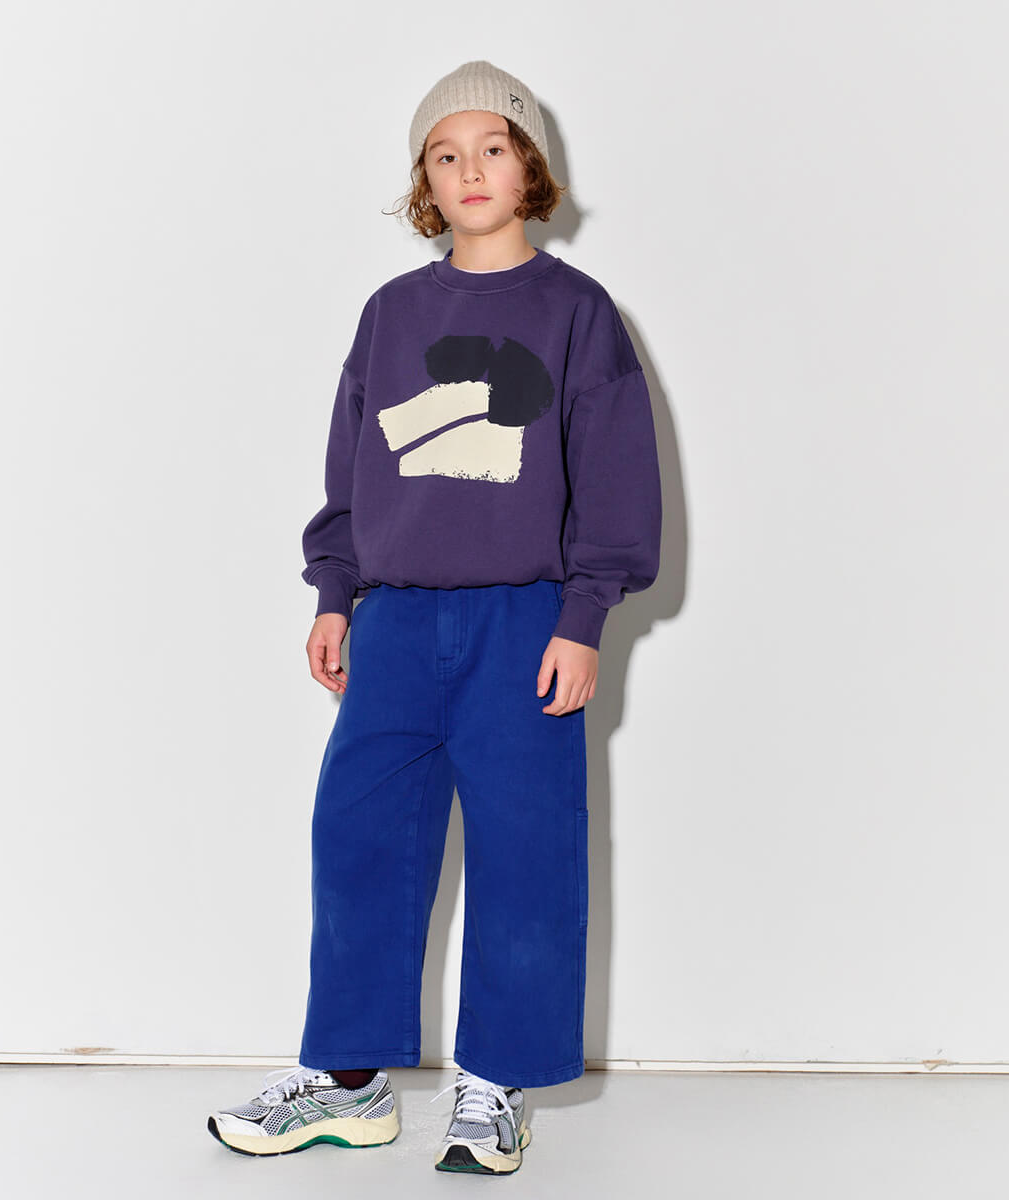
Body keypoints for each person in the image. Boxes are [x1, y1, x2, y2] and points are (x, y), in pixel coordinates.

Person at [208, 59, 662, 1176]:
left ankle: (495, 1083)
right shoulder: (392, 314)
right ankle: (349, 1083)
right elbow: (351, 468)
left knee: (526, 852)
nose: (470, 170)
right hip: (398, 622)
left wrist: (583, 615)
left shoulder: (577, 313)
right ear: (424, 179)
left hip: (525, 624)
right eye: (445, 154)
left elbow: (615, 482)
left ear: (530, 167)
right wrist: (335, 591)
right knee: (358, 835)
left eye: (492, 148)